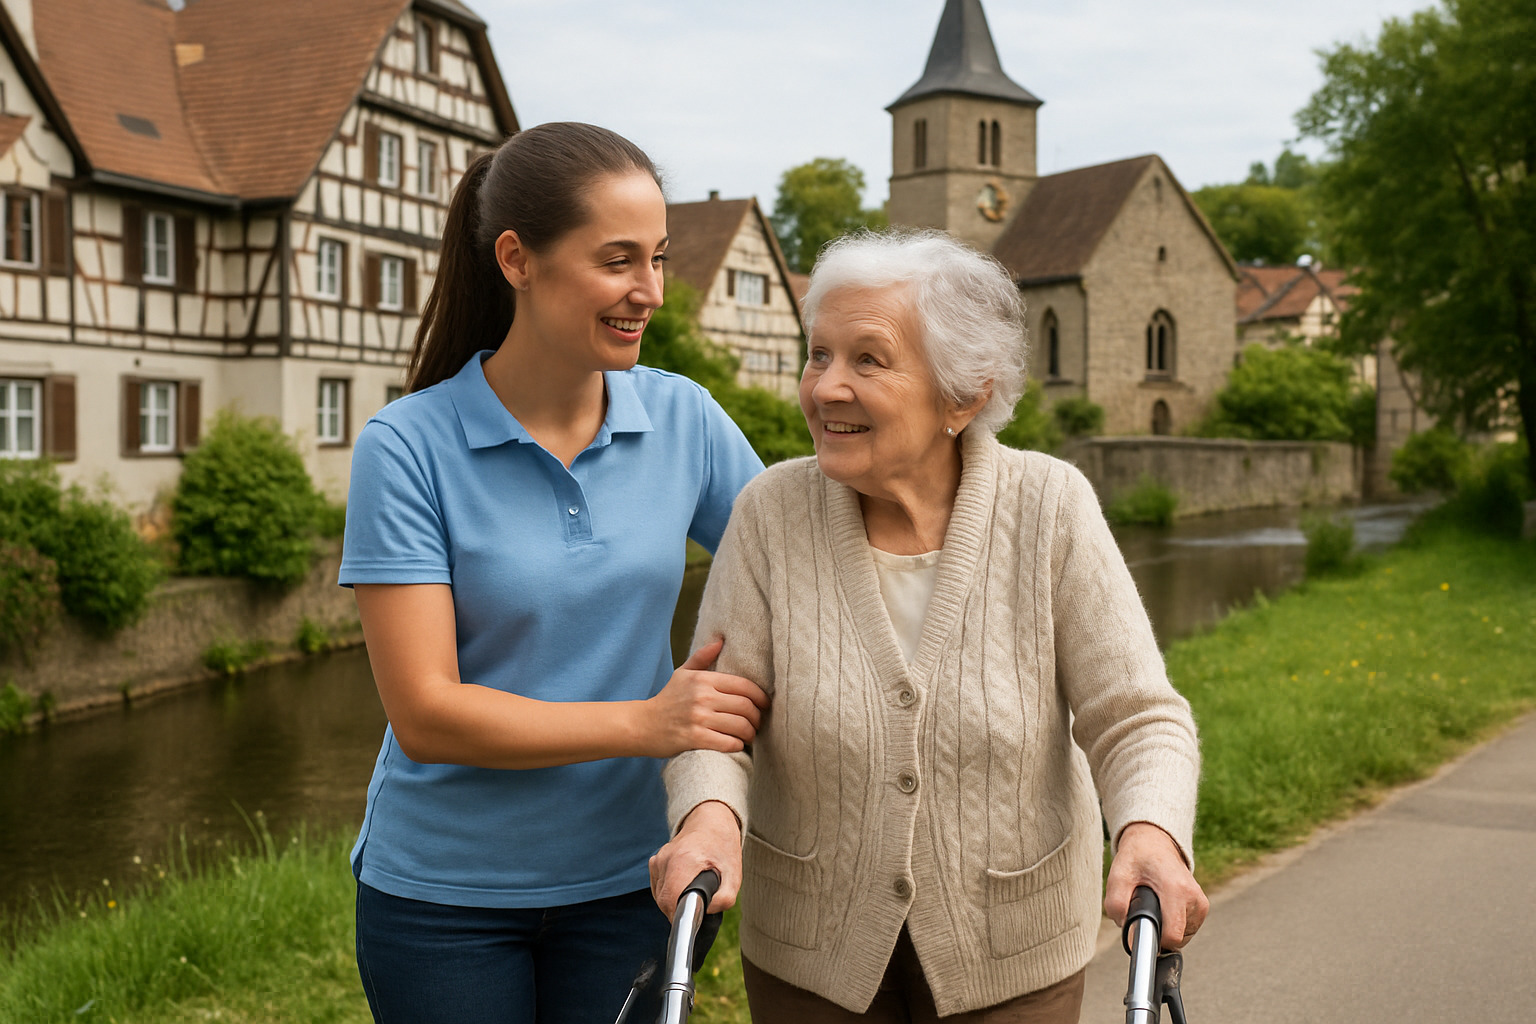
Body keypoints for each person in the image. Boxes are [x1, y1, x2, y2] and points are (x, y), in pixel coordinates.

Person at [651, 230, 1207, 1023]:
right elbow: (716, 723)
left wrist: (1150, 833)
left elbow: (1137, 716)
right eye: (819, 355)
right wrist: (708, 819)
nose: (825, 388)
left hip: (1011, 950)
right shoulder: (770, 513)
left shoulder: (1050, 507)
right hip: (811, 949)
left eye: (867, 361)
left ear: (964, 394)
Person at [340, 122, 769, 1024]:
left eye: (657, 258)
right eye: (618, 261)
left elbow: (801, 571)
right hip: (443, 903)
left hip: (637, 881)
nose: (648, 291)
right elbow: (425, 712)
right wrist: (651, 722)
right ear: (517, 259)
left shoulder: (683, 416)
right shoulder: (406, 446)